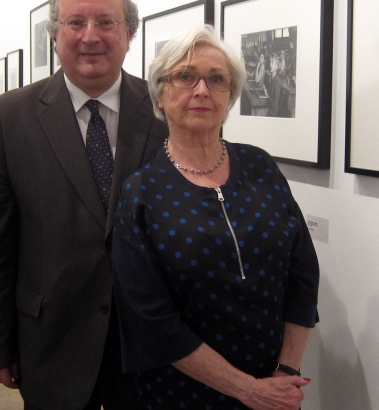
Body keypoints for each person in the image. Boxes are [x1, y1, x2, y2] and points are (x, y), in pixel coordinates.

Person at [0, 0, 168, 410]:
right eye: (75, 22)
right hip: (49, 341)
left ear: (129, 34)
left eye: (106, 22)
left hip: (147, 342)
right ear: (55, 34)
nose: (90, 36)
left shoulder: (163, 111)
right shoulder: (12, 115)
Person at [111, 26, 320, 410]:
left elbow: (303, 272)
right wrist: (247, 390)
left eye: (216, 79)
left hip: (274, 386)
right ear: (160, 92)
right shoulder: (140, 193)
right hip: (178, 392)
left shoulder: (261, 166)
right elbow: (151, 318)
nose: (202, 90)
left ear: (230, 95)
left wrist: (287, 371)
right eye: (185, 77)